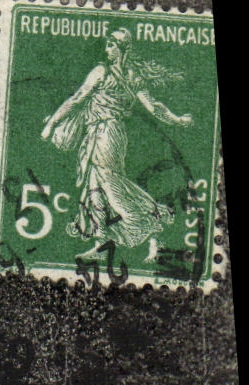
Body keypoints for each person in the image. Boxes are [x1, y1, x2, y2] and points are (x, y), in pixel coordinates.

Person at [41, 27, 194, 262]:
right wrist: (178, 120)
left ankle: (152, 224)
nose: (107, 49)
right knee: (96, 186)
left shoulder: (103, 72)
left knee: (111, 185)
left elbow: (78, 98)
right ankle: (103, 242)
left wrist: (52, 122)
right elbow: (154, 107)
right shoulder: (133, 77)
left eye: (112, 45)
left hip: (105, 134)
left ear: (122, 49)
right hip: (102, 134)